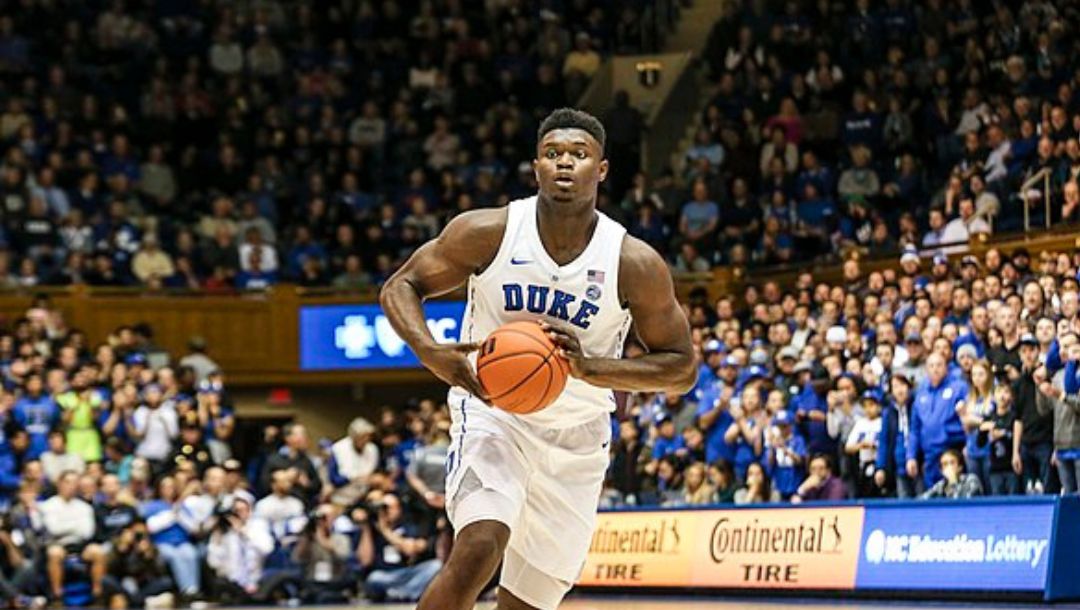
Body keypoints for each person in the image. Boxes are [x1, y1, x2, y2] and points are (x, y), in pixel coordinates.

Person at [380, 108, 696, 610]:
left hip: (577, 436)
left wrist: (591, 368)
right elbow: (402, 285)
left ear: (602, 169)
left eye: (579, 154)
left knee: (528, 601)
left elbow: (681, 368)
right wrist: (431, 352)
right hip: (494, 413)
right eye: (553, 153)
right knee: (479, 546)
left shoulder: (632, 262)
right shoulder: (488, 231)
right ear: (536, 167)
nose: (564, 162)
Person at [357, 493, 441, 603]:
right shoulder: (371, 530)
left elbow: (410, 550)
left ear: (398, 509)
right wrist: (366, 527)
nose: (386, 511)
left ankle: (403, 593)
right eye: (382, 507)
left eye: (388, 507)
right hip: (385, 574)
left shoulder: (407, 526)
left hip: (406, 572)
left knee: (435, 566)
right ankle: (404, 593)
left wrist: (385, 531)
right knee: (374, 577)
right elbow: (365, 561)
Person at [41, 471, 106, 603]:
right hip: (59, 544)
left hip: (81, 545)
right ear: (59, 484)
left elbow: (87, 532)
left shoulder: (85, 507)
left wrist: (65, 525)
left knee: (98, 551)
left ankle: (98, 593)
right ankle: (57, 595)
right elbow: (54, 529)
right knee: (54, 553)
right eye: (68, 482)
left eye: (75, 483)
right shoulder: (48, 505)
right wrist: (75, 526)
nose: (71, 486)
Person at [906, 353, 968, 488]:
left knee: (954, 491)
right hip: (929, 455)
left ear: (946, 367)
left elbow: (967, 418)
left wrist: (967, 443)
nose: (935, 369)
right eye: (931, 366)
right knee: (932, 493)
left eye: (939, 365)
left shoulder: (959, 388)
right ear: (926, 369)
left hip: (952, 450)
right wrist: (911, 456)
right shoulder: (920, 393)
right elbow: (914, 429)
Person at [979, 383, 1019, 495]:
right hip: (995, 467)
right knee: (997, 497)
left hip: (1011, 466)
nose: (1002, 396)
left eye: (1006, 392)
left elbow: (1017, 437)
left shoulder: (1014, 416)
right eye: (999, 392)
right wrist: (982, 429)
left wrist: (1003, 433)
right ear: (993, 396)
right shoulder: (989, 417)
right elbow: (980, 443)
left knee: (1014, 498)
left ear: (1011, 396)